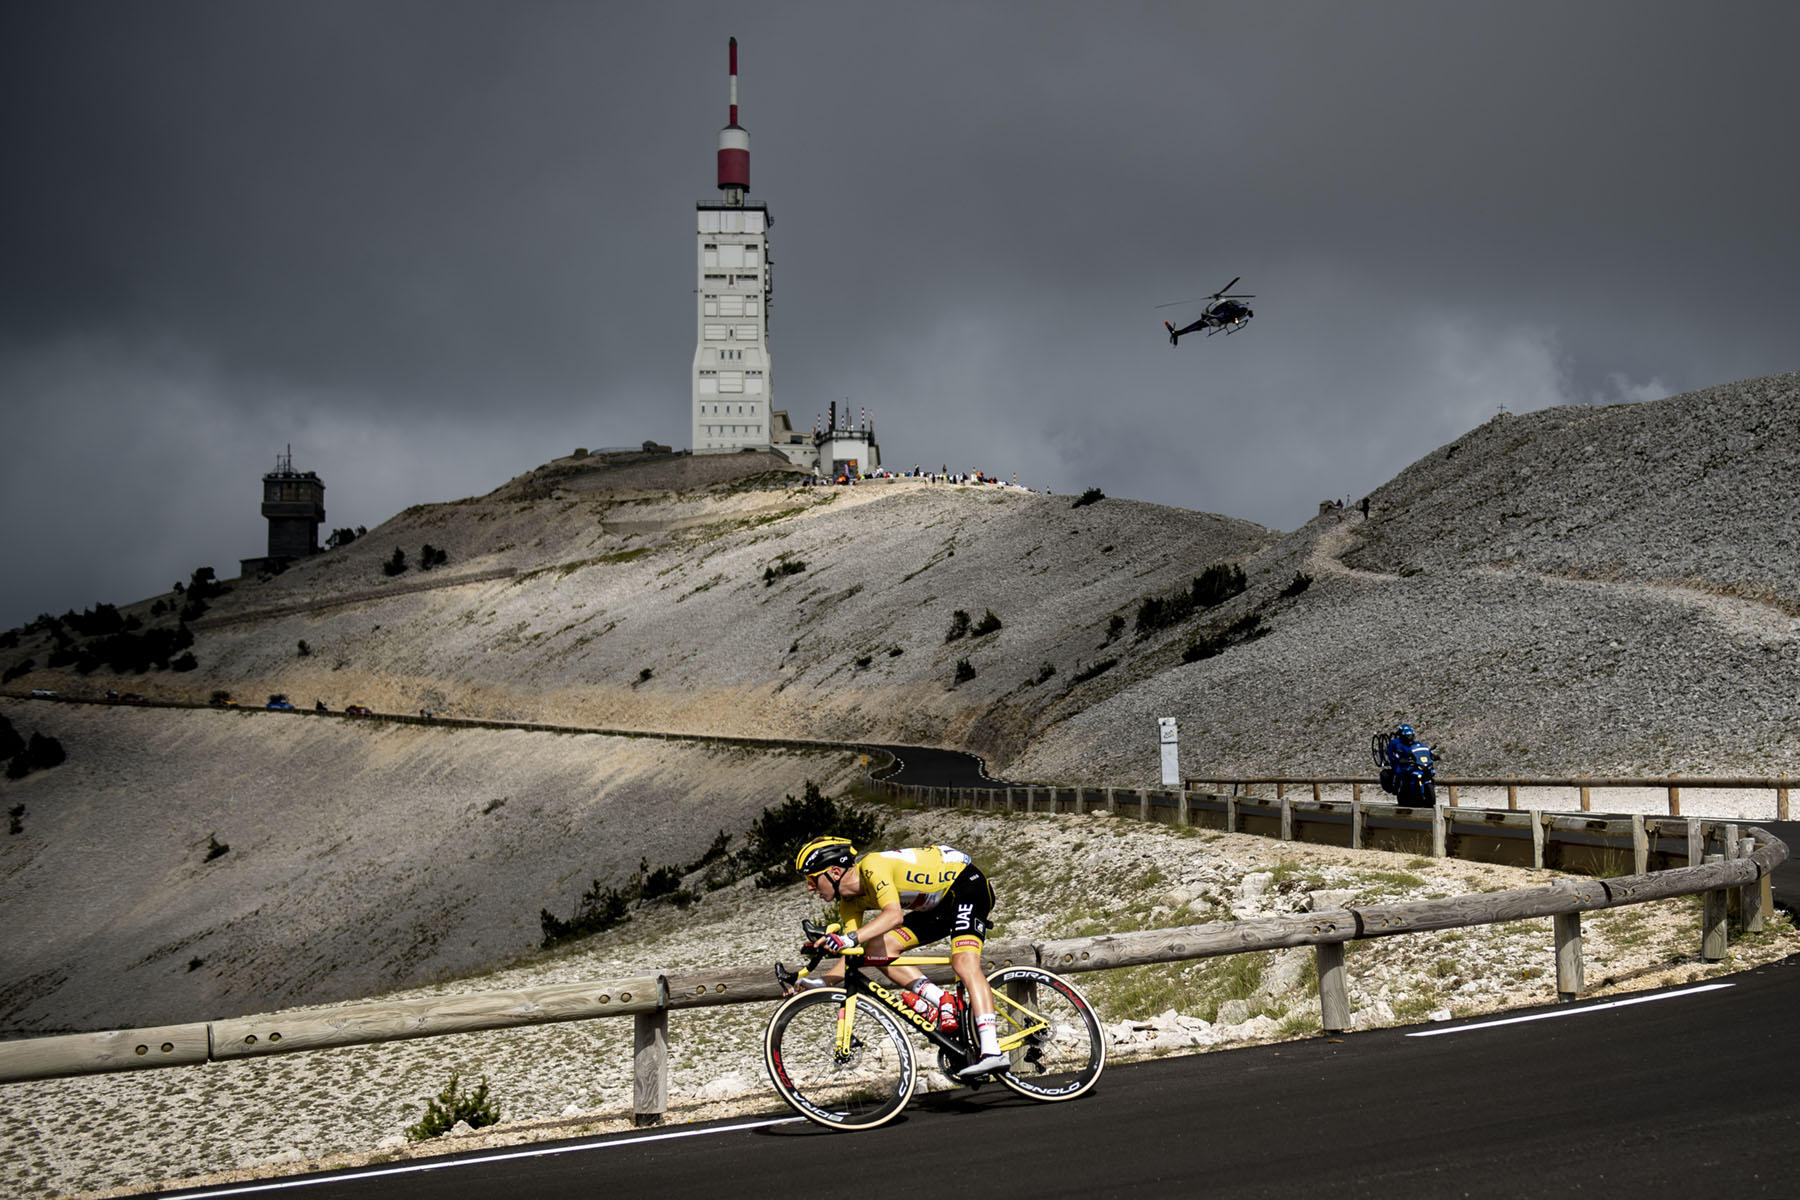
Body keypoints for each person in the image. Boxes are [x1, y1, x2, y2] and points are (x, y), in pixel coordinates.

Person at [790, 836, 1009, 1078]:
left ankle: (992, 1051)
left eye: (812, 879)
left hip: (966, 885)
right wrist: (819, 982)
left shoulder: (872, 866)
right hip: (935, 907)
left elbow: (894, 916)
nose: (810, 888)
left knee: (963, 962)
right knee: (875, 950)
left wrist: (848, 938)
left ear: (833, 871)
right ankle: (941, 999)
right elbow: (854, 950)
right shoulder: (848, 904)